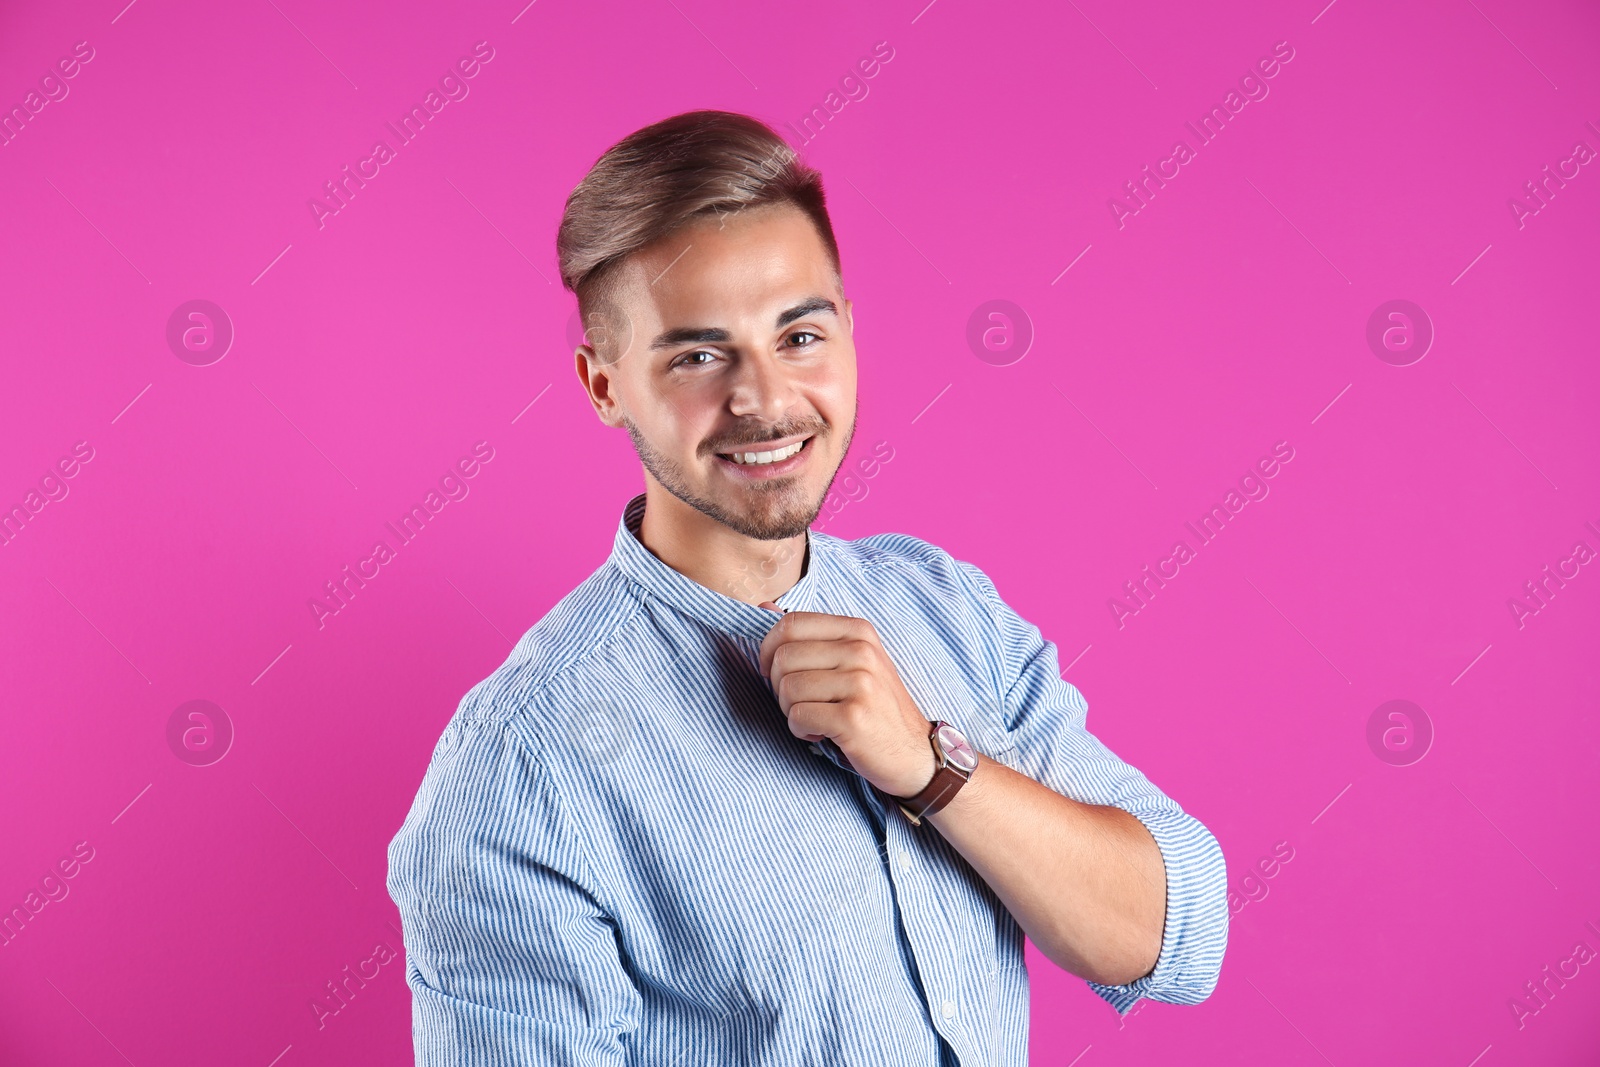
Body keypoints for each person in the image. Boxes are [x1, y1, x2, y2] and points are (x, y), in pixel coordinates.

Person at [386, 109, 1228, 1065]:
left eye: (799, 335)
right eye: (698, 355)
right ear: (603, 385)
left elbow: (1177, 935)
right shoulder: (523, 764)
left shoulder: (946, 607)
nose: (767, 400)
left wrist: (933, 768)